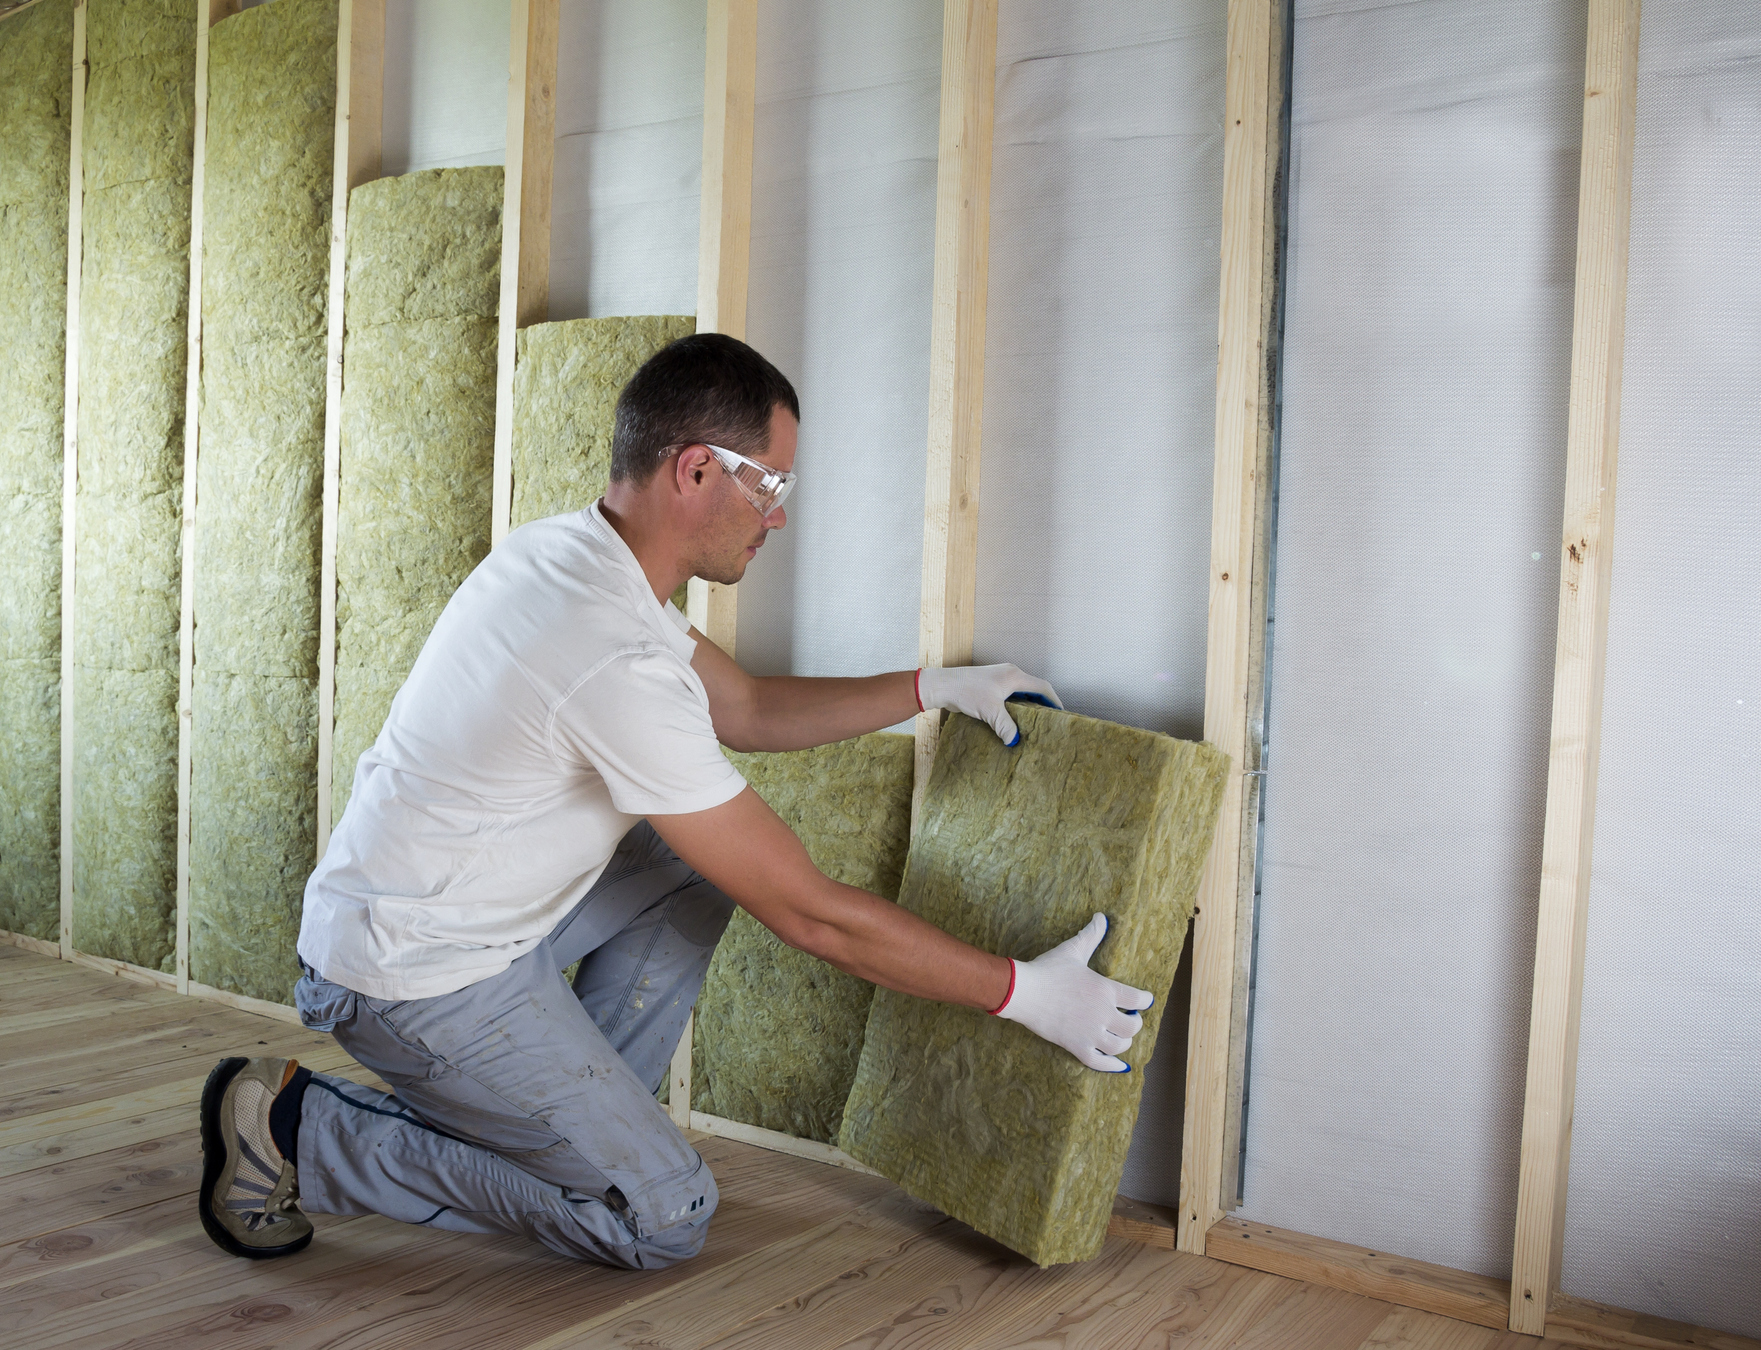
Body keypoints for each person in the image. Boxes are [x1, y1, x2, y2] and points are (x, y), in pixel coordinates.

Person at [195, 333, 1153, 1269]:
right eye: (768, 485)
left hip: (446, 918)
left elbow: (745, 705)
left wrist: (931, 687)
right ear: (697, 471)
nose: (776, 516)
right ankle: (293, 1128)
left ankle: (581, 1134)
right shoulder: (606, 650)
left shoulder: (574, 559)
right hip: (410, 978)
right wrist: (1026, 994)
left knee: (684, 870)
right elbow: (812, 915)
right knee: (661, 1218)